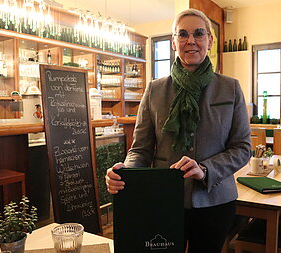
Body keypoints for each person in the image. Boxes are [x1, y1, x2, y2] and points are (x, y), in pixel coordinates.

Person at [105, 8, 251, 252]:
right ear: (174, 43)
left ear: (210, 41)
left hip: (215, 202)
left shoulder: (231, 88)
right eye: (182, 34)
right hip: (163, 200)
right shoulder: (154, 90)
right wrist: (126, 174)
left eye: (198, 34)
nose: (190, 40)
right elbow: (140, 149)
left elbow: (242, 148)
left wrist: (205, 169)